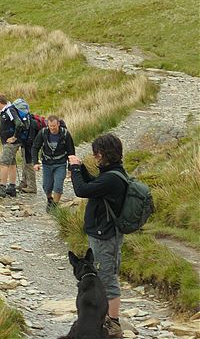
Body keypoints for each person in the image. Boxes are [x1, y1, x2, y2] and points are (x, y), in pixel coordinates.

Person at [69, 133, 128, 339]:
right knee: (105, 277)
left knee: (106, 279)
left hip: (105, 236)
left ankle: (113, 326)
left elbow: (83, 190)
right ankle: (105, 323)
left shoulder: (112, 178)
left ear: (103, 154)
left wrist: (75, 169)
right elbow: (94, 185)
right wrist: (82, 169)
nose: (95, 157)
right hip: (104, 233)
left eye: (96, 154)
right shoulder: (112, 173)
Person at [32, 115, 75, 210]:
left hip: (61, 163)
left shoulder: (65, 134)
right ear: (47, 125)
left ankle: (54, 206)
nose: (52, 128)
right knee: (46, 186)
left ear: (58, 124)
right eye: (50, 126)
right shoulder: (43, 133)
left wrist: (70, 168)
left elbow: (71, 152)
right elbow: (35, 147)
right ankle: (50, 200)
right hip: (47, 163)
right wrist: (35, 163)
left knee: (58, 185)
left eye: (54, 126)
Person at [0, 95, 23, 197]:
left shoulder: (9, 110)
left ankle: (2, 188)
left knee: (4, 163)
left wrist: (14, 137)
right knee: (12, 163)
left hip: (10, 143)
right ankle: (12, 187)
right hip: (8, 142)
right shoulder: (7, 110)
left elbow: (18, 124)